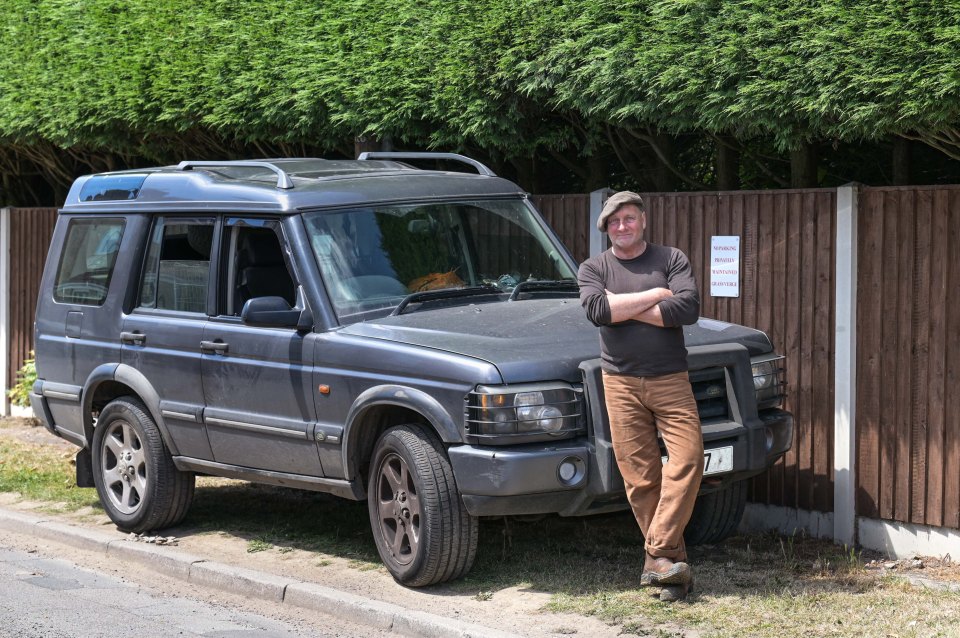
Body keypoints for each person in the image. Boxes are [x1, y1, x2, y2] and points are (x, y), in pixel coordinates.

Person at [577, 191, 703, 602]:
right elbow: (598, 311)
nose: (622, 227)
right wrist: (658, 295)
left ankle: (656, 555)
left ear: (643, 220)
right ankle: (672, 572)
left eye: (629, 219)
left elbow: (687, 310)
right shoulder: (594, 267)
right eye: (614, 223)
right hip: (620, 384)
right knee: (640, 478)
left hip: (671, 379)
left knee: (687, 460)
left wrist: (623, 307)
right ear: (606, 229)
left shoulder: (671, 259)